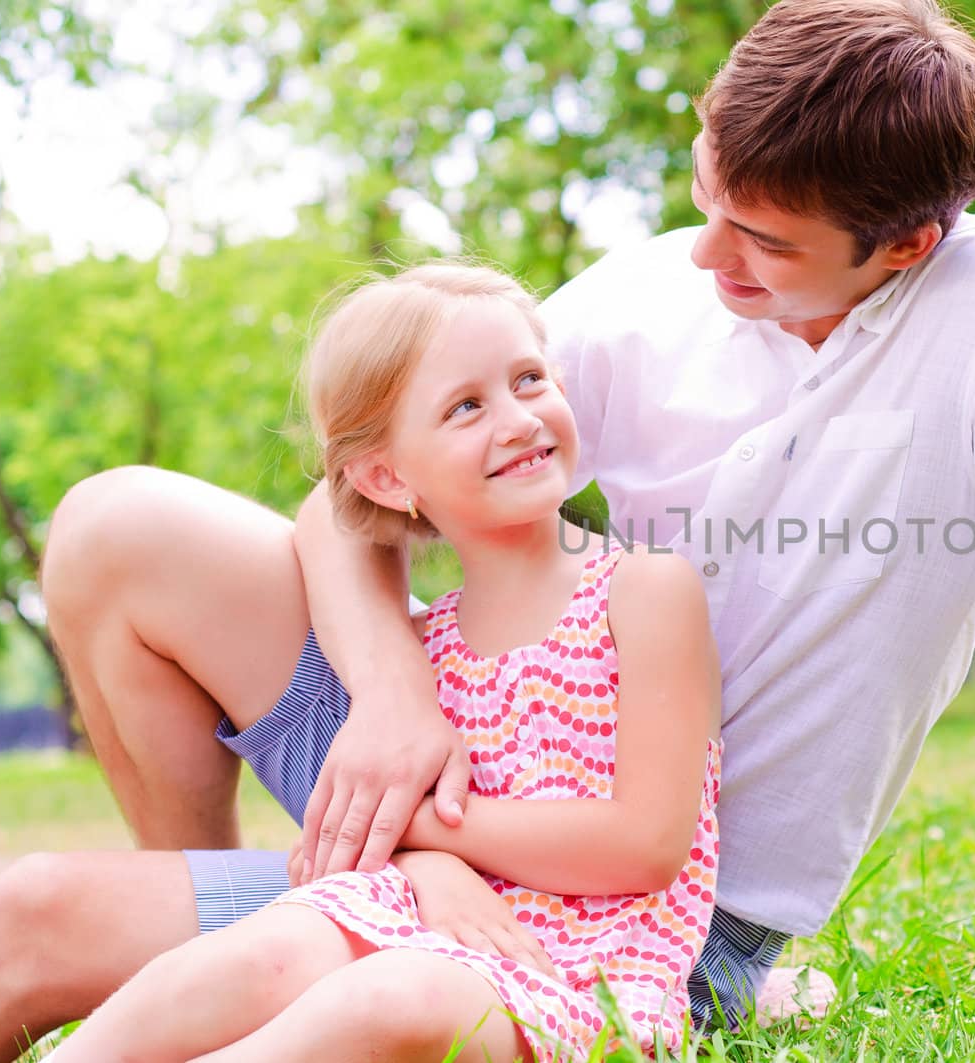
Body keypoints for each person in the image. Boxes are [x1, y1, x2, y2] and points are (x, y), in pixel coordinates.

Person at [0, 1, 975, 1057]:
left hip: (631, 890)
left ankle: (269, 944)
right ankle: (251, 907)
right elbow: (363, 493)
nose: (706, 258)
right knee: (110, 532)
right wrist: (389, 699)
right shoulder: (649, 298)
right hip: (448, 765)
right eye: (707, 195)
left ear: (905, 249)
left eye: (761, 243)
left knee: (68, 937)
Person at [47, 262, 722, 1061]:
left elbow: (645, 842)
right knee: (266, 949)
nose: (518, 419)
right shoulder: (423, 650)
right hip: (416, 913)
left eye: (531, 379)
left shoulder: (644, 591)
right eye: (466, 406)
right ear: (386, 478)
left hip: (586, 967)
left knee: (394, 996)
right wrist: (421, 862)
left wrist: (410, 826)